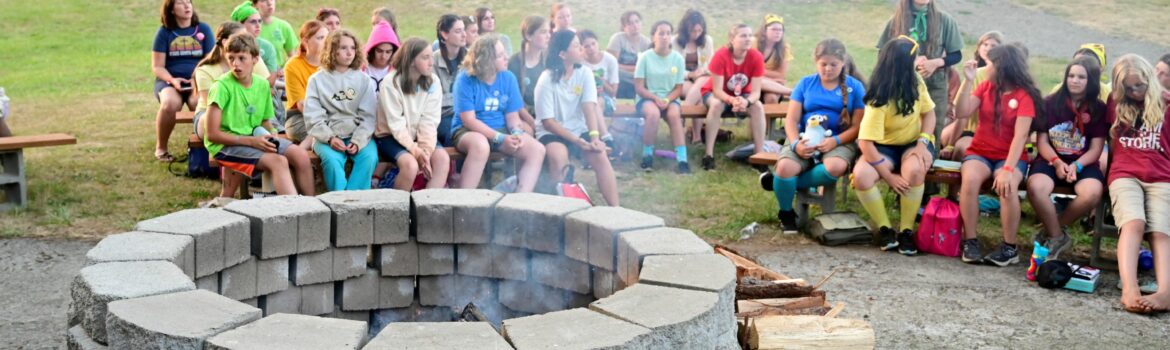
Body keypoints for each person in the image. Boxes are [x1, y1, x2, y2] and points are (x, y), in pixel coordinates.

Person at [953, 44, 1043, 266]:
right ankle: (970, 241)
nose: (986, 67)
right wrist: (967, 80)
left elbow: (1021, 137)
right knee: (970, 181)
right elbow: (960, 112)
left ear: (1003, 68)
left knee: (1008, 186)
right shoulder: (985, 87)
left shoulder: (1024, 97)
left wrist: (1008, 170)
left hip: (1010, 157)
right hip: (980, 152)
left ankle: (1009, 247)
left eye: (990, 64)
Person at [766, 38, 866, 233]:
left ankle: (779, 182)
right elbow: (791, 120)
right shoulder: (805, 84)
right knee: (786, 166)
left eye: (833, 64)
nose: (828, 69)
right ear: (816, 62)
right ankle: (786, 214)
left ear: (843, 63)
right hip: (804, 137)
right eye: (823, 64)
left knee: (835, 166)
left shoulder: (855, 87)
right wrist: (795, 144)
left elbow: (857, 127)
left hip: (839, 140)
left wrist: (835, 141)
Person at [853, 36, 936, 255]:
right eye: (915, 57)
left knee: (915, 169)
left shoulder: (916, 81)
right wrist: (888, 177)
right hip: (882, 147)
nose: (919, 61)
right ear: (903, 64)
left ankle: (906, 231)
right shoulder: (879, 97)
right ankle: (885, 228)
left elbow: (929, 115)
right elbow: (866, 143)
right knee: (861, 176)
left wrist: (922, 143)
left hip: (912, 142)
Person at [203, 33, 313, 196]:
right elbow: (212, 135)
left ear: (255, 59)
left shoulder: (262, 84)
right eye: (231, 58)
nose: (236, 64)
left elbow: (265, 121)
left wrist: (272, 134)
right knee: (278, 162)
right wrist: (252, 141)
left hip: (254, 137)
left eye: (242, 58)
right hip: (225, 144)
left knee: (301, 155)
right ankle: (294, 212)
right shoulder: (221, 87)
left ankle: (313, 207)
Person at [1106, 54, 1170, 314]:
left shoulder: (1167, 103)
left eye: (1139, 86)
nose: (1134, 92)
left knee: (1160, 231)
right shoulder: (1115, 103)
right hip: (1125, 173)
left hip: (1162, 175)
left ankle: (1165, 292)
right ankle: (1129, 289)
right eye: (1128, 88)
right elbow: (1109, 145)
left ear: (1150, 79)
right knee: (1133, 223)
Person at [1026, 57, 1107, 260]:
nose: (1075, 80)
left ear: (1092, 80)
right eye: (1071, 76)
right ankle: (1058, 236)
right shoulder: (1050, 103)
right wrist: (1057, 162)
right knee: (1036, 187)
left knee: (1092, 193)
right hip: (1050, 159)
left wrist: (1077, 165)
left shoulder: (1098, 108)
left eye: (1081, 77)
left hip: (1083, 162)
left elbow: (1096, 148)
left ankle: (1054, 231)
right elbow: (1042, 141)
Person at [449, 35, 546, 191]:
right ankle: (463, 203)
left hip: (501, 130)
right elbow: (468, 120)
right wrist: (500, 137)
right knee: (481, 146)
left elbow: (512, 116)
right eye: (500, 55)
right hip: (468, 131)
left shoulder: (508, 78)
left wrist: (516, 133)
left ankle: (519, 202)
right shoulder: (465, 80)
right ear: (486, 60)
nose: (507, 57)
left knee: (537, 150)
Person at [535, 30, 619, 205]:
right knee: (559, 156)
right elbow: (548, 122)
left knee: (600, 155)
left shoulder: (585, 73)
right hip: (552, 132)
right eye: (575, 45)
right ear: (562, 54)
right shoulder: (546, 79)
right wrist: (576, 141)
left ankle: (616, 209)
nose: (582, 48)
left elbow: (589, 107)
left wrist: (595, 137)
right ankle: (561, 211)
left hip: (578, 129)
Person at [877, 0, 963, 144]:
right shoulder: (896, 21)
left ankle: (929, 161)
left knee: (933, 130)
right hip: (902, 86)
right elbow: (883, 55)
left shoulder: (945, 20)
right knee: (904, 128)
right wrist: (910, 62)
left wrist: (935, 63)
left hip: (935, 85)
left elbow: (956, 54)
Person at [303, 29, 378, 192]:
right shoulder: (317, 80)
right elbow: (312, 117)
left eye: (352, 48)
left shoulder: (363, 79)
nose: (349, 52)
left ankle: (353, 201)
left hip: (357, 134)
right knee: (331, 161)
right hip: (327, 136)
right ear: (332, 50)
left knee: (370, 158)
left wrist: (358, 141)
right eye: (343, 48)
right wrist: (330, 138)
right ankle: (341, 202)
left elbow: (369, 117)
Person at [375, 38, 450, 190]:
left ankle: (428, 207)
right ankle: (397, 211)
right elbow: (396, 125)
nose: (431, 62)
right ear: (410, 61)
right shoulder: (391, 83)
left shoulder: (433, 81)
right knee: (410, 165)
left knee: (442, 159)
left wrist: (426, 153)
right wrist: (416, 151)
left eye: (431, 56)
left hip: (419, 135)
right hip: (390, 136)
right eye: (425, 57)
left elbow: (429, 121)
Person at [698, 24, 768, 170]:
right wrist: (731, 100)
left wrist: (746, 101)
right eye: (743, 35)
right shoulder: (721, 55)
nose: (748, 39)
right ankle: (708, 155)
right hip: (714, 93)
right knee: (716, 105)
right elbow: (716, 90)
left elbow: (756, 92)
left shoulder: (756, 57)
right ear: (732, 39)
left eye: (750, 35)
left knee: (758, 106)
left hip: (742, 94)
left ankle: (759, 156)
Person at [151, 0, 214, 162]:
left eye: (189, 2)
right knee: (170, 104)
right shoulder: (164, 33)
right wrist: (172, 80)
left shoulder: (203, 29)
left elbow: (211, 61)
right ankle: (161, 147)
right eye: (181, 3)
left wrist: (196, 78)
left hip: (198, 80)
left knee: (199, 103)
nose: (187, 6)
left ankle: (204, 152)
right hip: (169, 81)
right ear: (171, 9)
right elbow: (158, 67)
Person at [634, 21, 689, 173]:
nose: (665, 37)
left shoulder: (677, 58)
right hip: (647, 97)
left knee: (674, 115)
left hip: (670, 98)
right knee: (653, 114)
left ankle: (682, 160)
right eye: (661, 33)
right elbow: (639, 87)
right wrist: (654, 98)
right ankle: (647, 156)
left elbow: (678, 88)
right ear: (653, 37)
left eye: (668, 33)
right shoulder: (645, 57)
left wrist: (667, 99)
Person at [941, 31, 1002, 159]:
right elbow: (960, 113)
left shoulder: (990, 76)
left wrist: (1029, 149)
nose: (988, 49)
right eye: (985, 44)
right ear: (979, 47)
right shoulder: (973, 72)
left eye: (993, 46)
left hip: (981, 130)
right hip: (965, 126)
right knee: (940, 136)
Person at [283, 20, 327, 146]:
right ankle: (300, 155)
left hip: (330, 114)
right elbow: (302, 104)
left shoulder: (332, 63)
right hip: (300, 117)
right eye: (320, 38)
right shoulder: (293, 65)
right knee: (325, 133)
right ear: (305, 41)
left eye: (327, 38)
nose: (325, 42)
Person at [508, 16, 551, 133]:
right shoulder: (514, 63)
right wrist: (532, 122)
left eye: (548, 32)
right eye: (543, 32)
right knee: (528, 131)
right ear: (528, 36)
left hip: (547, 114)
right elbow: (514, 99)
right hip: (522, 114)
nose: (548, 36)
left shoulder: (550, 61)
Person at [577, 30, 618, 148]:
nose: (591, 48)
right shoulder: (579, 62)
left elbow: (614, 91)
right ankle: (604, 139)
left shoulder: (609, 60)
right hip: (582, 99)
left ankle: (604, 137)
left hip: (606, 99)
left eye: (593, 44)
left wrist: (601, 80)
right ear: (581, 48)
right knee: (591, 101)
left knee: (595, 101)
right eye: (586, 46)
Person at [433, 14, 468, 145]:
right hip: (442, 116)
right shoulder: (432, 61)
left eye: (464, 30)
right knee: (453, 132)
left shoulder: (471, 59)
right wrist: (462, 98)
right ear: (444, 34)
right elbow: (433, 99)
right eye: (458, 31)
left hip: (468, 113)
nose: (464, 35)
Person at [608, 11, 650, 99]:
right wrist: (634, 69)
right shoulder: (617, 39)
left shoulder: (646, 42)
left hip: (638, 75)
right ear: (624, 27)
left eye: (637, 21)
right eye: (630, 23)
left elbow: (647, 66)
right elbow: (611, 64)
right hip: (621, 74)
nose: (635, 25)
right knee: (616, 73)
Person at [756, 14, 793, 102]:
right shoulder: (754, 43)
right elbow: (748, 71)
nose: (778, 32)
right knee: (758, 80)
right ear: (764, 31)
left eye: (780, 30)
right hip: (754, 82)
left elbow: (781, 75)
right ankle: (793, 92)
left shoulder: (784, 48)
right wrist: (770, 78)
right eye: (774, 29)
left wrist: (758, 72)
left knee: (771, 98)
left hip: (773, 83)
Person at [252, 0, 298, 68]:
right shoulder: (250, 27)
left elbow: (292, 56)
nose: (269, 3)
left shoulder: (284, 26)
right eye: (263, 0)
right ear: (255, 5)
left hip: (279, 76)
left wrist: (284, 70)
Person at [364, 20, 400, 90]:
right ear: (372, 50)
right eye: (379, 51)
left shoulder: (398, 72)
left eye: (388, 52)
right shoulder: (362, 69)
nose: (383, 56)